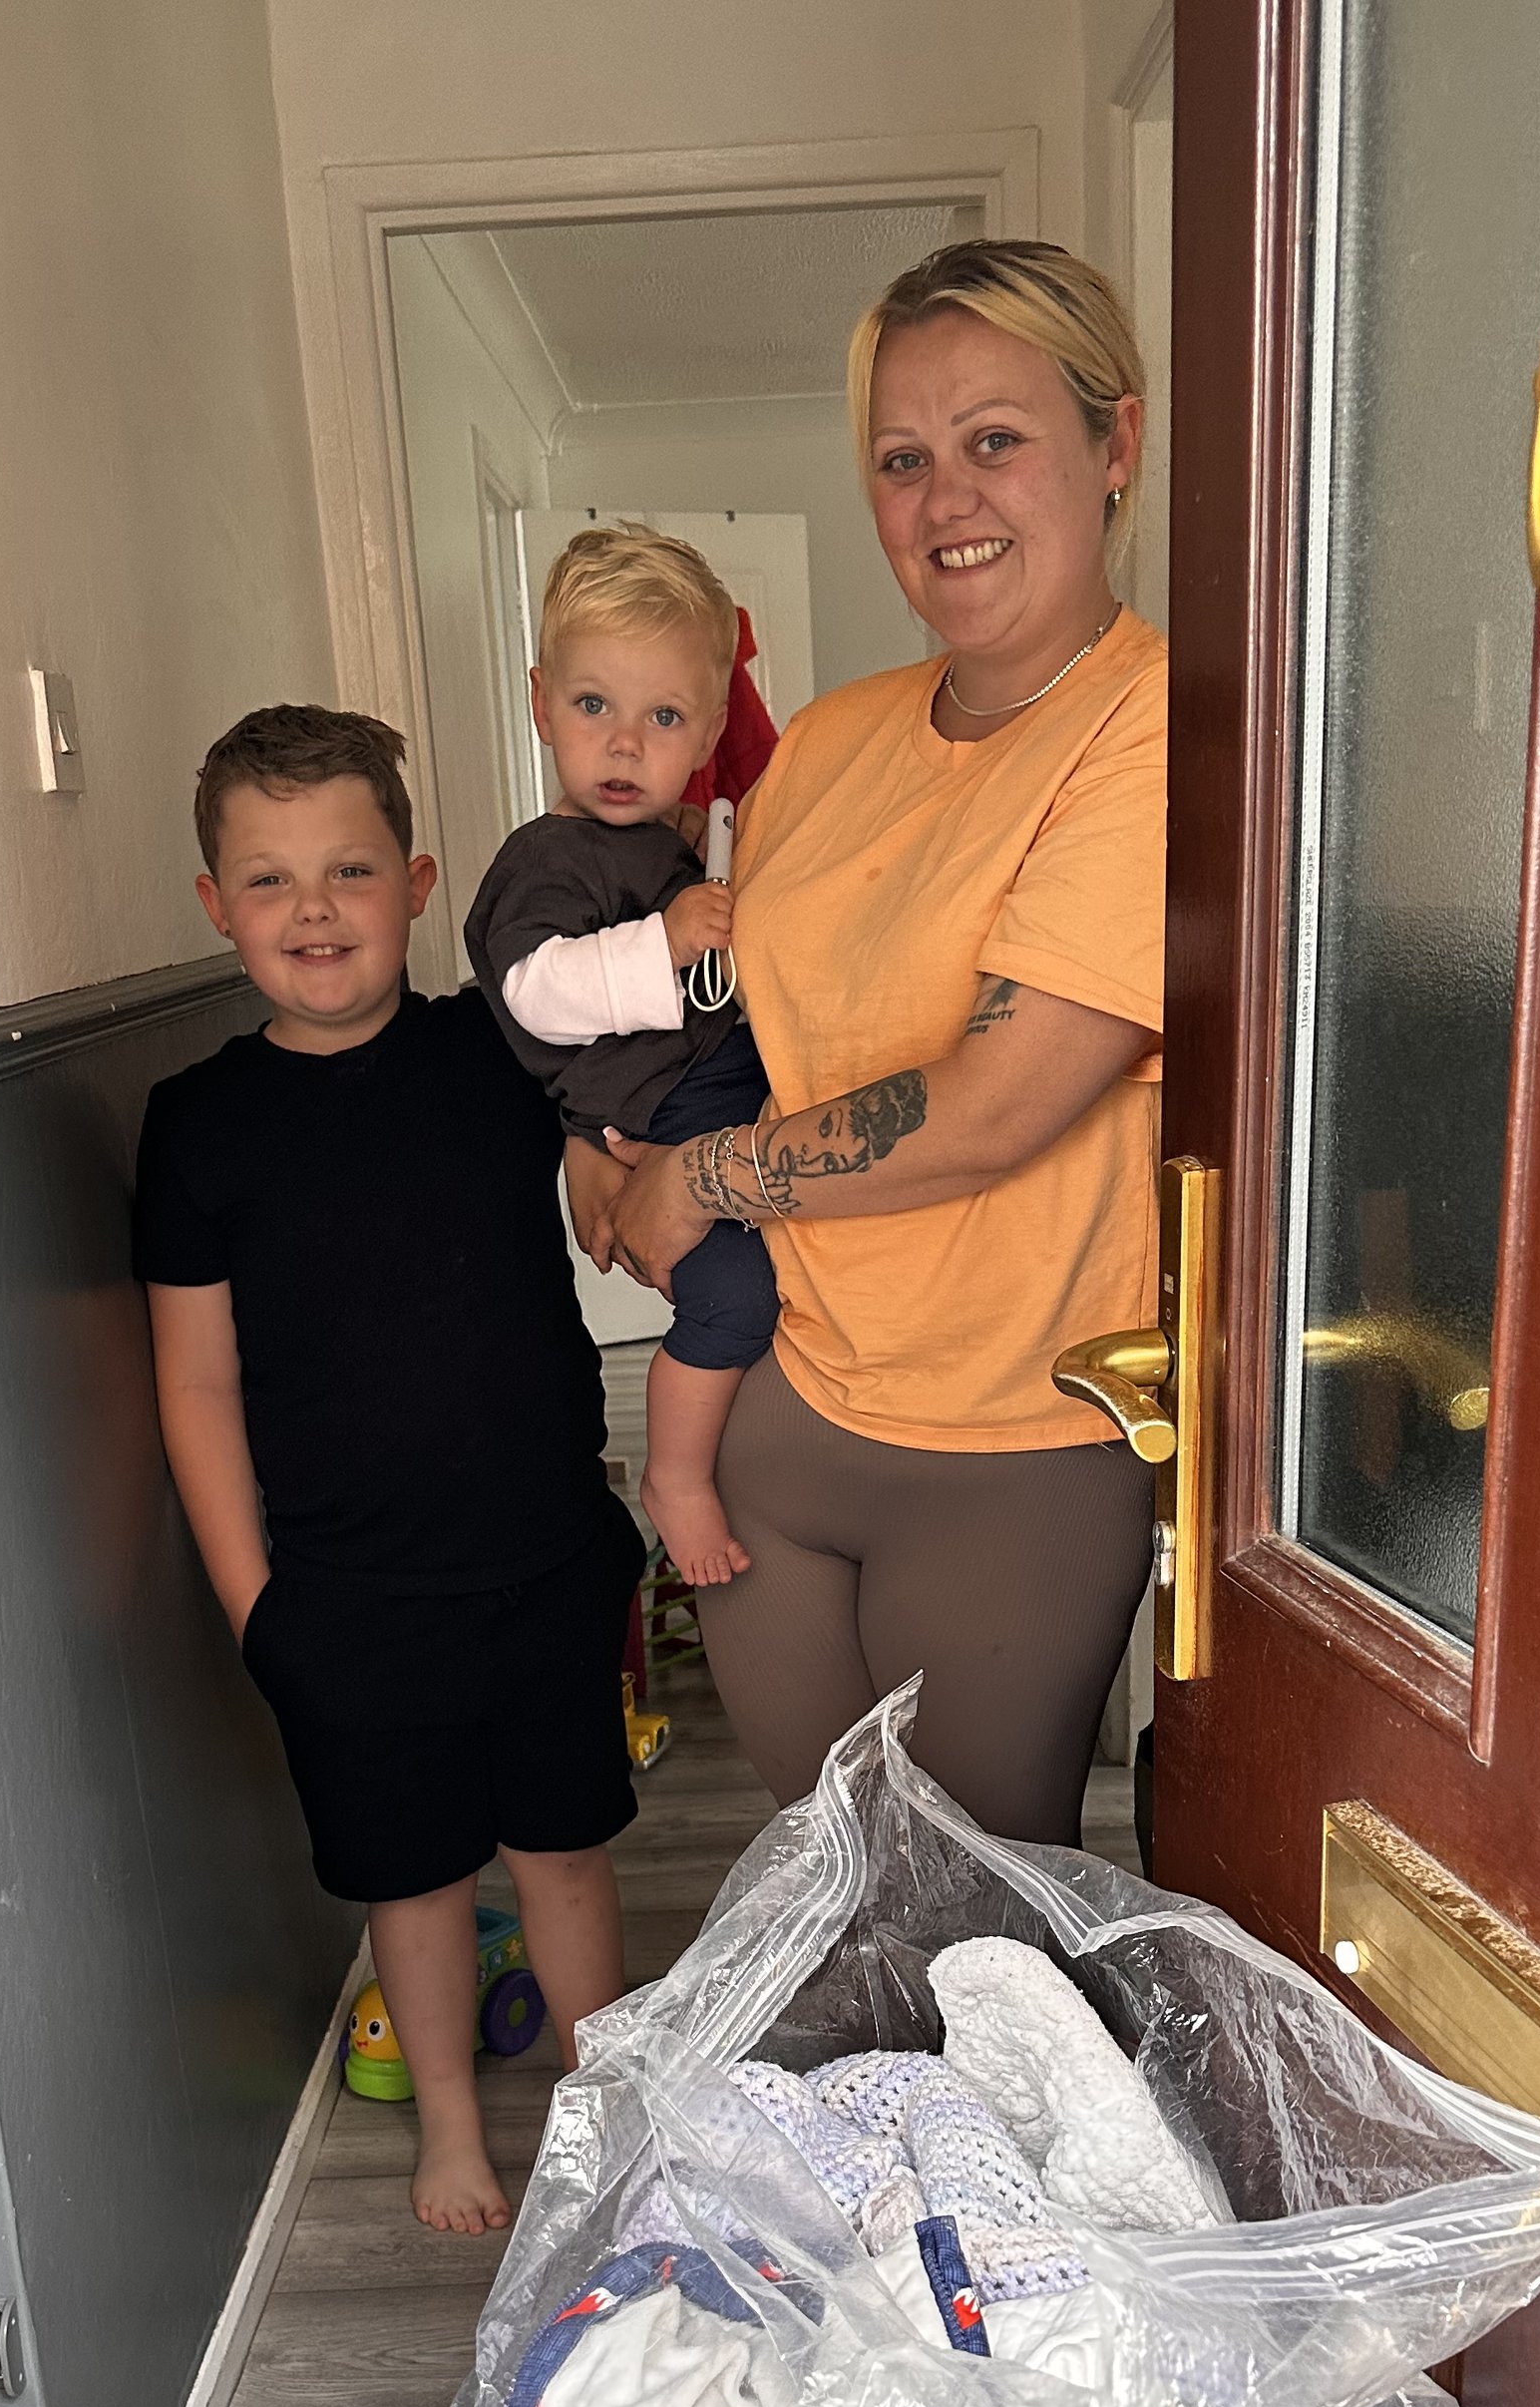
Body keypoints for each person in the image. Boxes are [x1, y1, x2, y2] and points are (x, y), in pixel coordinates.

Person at [586, 239, 1165, 1851]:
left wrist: (698, 1179)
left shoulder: (1154, 731)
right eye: (902, 459)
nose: (943, 498)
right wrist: (602, 1141)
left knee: (986, 1931)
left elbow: (991, 1107)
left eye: (996, 439)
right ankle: (864, 2115)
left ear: (1116, 445)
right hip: (783, 1410)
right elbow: (711, 1023)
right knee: (829, 1872)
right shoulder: (832, 743)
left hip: (1016, 1447)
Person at [135, 704, 644, 2234]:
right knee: (411, 1884)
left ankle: (610, 2116)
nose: (314, 911)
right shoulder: (198, 1126)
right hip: (345, 1602)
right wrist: (256, 1611)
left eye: (349, 871)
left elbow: (620, 1160)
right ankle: (446, 2129)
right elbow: (195, 1378)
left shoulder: (501, 1057)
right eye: (272, 880)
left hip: (545, 1557)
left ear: (417, 885)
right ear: (217, 905)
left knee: (565, 1856)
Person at [466, 528, 777, 1589]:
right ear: (541, 702)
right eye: (593, 706)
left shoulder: (674, 840)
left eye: (664, 718)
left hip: (714, 1091)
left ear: (707, 732)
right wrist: (668, 940)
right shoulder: (545, 859)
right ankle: (678, 1477)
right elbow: (533, 992)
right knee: (734, 1297)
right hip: (665, 1110)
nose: (623, 746)